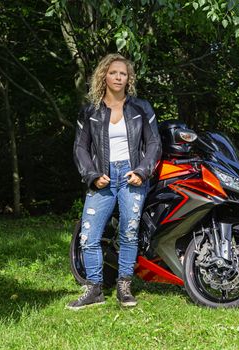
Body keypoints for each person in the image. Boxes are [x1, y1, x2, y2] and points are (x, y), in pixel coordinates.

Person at [67, 54, 161, 310]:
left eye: (123, 73)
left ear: (128, 78)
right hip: (103, 177)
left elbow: (154, 143)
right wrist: (92, 175)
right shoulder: (90, 111)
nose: (119, 77)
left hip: (132, 177)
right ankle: (94, 287)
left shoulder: (141, 108)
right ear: (104, 76)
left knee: (129, 233)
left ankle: (124, 286)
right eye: (113, 73)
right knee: (89, 235)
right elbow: (80, 148)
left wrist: (142, 171)